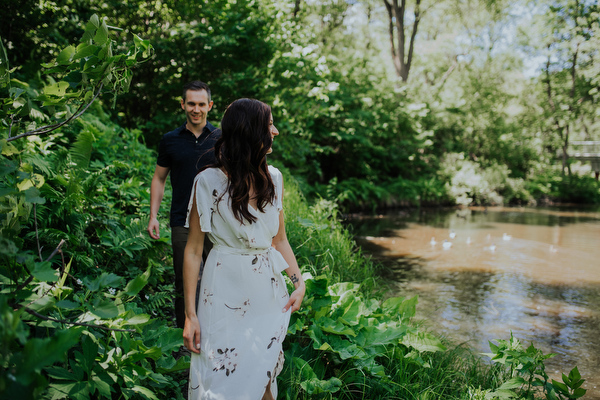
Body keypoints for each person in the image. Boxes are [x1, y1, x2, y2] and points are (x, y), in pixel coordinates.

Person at [182, 98, 305, 400]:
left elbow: (279, 241)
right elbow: (194, 250)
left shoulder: (273, 178)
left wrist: (298, 282)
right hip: (223, 290)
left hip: (266, 291)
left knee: (263, 373)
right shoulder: (207, 181)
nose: (275, 131)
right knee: (221, 377)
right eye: (269, 124)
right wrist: (190, 314)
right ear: (250, 132)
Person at [147, 81, 221, 329]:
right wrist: (153, 216)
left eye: (201, 104)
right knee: (185, 281)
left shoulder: (221, 138)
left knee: (217, 278)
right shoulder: (170, 140)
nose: (196, 109)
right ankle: (184, 335)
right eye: (191, 103)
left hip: (217, 221)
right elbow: (159, 178)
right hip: (183, 220)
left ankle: (214, 331)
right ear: (183, 104)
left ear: (210, 106)